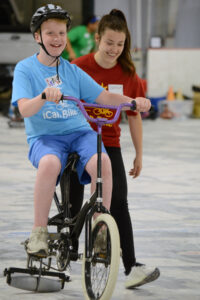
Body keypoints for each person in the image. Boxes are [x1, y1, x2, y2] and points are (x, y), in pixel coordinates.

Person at [11, 4, 150, 259]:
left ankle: (100, 232)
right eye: (50, 33)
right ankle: (39, 231)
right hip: (46, 138)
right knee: (50, 163)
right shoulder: (25, 69)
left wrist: (132, 101)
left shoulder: (71, 70)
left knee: (103, 162)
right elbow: (24, 110)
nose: (57, 39)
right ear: (37, 37)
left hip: (79, 133)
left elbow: (105, 95)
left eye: (62, 33)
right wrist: (42, 96)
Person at [70, 9, 160, 289]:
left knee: (119, 201)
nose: (114, 49)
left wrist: (139, 154)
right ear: (97, 39)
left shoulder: (128, 72)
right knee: (72, 198)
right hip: (78, 139)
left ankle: (131, 266)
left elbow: (133, 116)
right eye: (109, 43)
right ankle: (66, 247)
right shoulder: (79, 66)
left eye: (120, 44)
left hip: (109, 142)